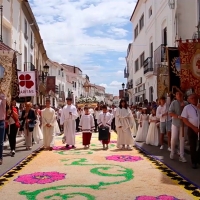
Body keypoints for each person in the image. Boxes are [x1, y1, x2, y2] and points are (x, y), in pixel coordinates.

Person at [181, 94, 200, 169]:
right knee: (193, 145)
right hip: (192, 128)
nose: (194, 99)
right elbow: (184, 119)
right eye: (192, 98)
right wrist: (194, 128)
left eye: (195, 98)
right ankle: (194, 162)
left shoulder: (199, 106)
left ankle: (198, 158)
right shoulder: (187, 108)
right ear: (189, 100)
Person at [169, 91, 187, 162]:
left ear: (182, 95)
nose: (179, 95)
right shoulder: (174, 103)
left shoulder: (186, 103)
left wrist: (183, 107)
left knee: (182, 139)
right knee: (174, 138)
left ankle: (181, 155)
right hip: (175, 123)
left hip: (184, 124)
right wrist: (178, 116)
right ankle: (172, 152)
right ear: (175, 96)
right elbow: (170, 113)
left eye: (180, 94)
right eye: (177, 94)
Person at [0, 93, 6, 165]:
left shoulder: (2, 101)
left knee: (0, 142)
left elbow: (4, 98)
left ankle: (0, 157)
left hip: (1, 122)